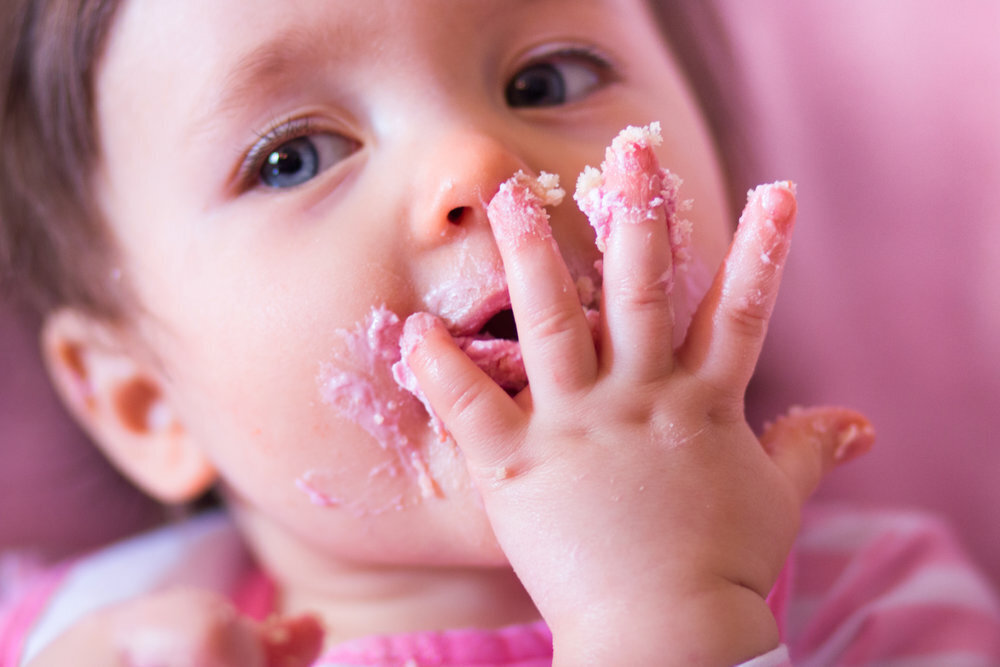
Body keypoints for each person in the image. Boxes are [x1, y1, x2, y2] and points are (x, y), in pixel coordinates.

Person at [1, 1, 997, 665]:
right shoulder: (77, 634)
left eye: (546, 83)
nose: (475, 165)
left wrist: (674, 619)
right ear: (144, 403)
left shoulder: (872, 606)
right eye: (294, 156)